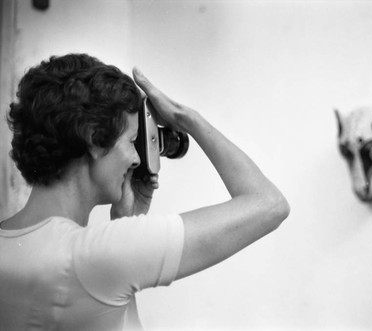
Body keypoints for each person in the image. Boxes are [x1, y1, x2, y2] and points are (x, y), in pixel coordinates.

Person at [0, 53, 290, 330]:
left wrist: (124, 224)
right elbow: (269, 204)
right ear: (95, 140)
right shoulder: (96, 255)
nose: (137, 159)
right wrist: (185, 117)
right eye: (132, 141)